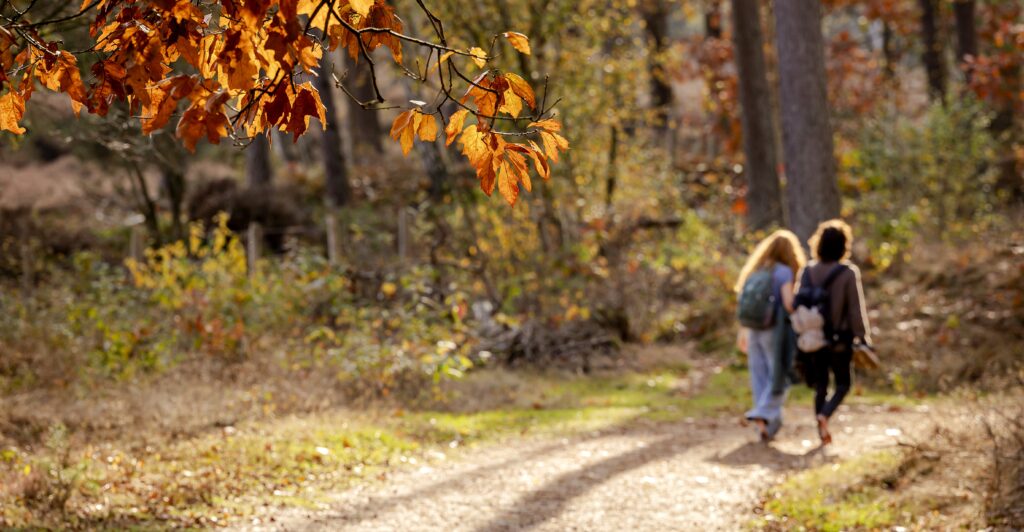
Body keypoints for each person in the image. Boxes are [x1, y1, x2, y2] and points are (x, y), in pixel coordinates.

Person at [800, 220, 872, 445]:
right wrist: (863, 336)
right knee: (843, 383)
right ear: (843, 245)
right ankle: (826, 414)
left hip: (814, 337)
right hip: (840, 338)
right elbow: (855, 308)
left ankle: (820, 428)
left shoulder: (808, 271)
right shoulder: (848, 273)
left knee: (821, 383)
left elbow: (798, 303)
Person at [735, 230, 806, 442]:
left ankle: (766, 426)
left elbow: (744, 303)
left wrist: (743, 331)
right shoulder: (783, 272)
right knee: (779, 375)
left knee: (759, 376)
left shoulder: (757, 270)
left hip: (753, 328)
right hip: (774, 331)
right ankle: (764, 413)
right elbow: (788, 304)